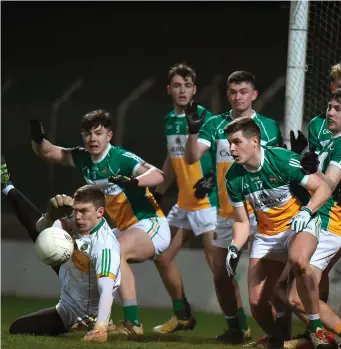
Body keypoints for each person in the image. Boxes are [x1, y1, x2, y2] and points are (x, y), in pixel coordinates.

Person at [30, 109, 171, 335]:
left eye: (98, 133)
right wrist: (38, 139)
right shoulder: (84, 158)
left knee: (116, 252)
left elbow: (158, 175)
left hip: (150, 224)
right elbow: (48, 152)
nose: (92, 139)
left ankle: (133, 324)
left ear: (109, 135)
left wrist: (133, 181)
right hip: (123, 228)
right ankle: (93, 317)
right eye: (87, 134)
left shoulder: (120, 158)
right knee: (85, 256)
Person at [184, 70, 283, 343]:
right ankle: (236, 329)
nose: (238, 97)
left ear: (254, 95)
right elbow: (192, 157)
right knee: (220, 274)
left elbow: (276, 165)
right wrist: (192, 131)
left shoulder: (268, 127)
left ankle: (276, 333)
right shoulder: (215, 124)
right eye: (233, 92)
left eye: (243, 92)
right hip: (229, 214)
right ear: (227, 94)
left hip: (262, 213)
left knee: (267, 281)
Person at [224, 117, 335, 349]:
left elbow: (323, 187)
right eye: (229, 143)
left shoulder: (281, 159)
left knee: (298, 259)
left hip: (298, 224)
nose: (231, 149)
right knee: (256, 302)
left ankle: (316, 331)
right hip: (266, 235)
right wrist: (234, 247)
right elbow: (242, 223)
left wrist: (306, 212)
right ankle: (276, 340)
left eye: (236, 142)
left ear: (254, 141)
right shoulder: (233, 178)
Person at [2, 178, 120, 344]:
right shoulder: (76, 221)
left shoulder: (105, 246)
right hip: (67, 305)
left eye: (84, 211)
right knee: (17, 328)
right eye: (75, 210)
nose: (78, 217)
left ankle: (97, 321)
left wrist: (100, 327)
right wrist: (51, 215)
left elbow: (106, 289)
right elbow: (42, 232)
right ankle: (8, 187)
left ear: (100, 212)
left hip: (86, 313)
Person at [152, 63, 218, 334]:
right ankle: (182, 316)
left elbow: (222, 154)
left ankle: (238, 325)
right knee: (162, 256)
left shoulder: (206, 117)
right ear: (169, 89)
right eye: (177, 85)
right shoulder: (169, 120)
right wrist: (158, 192)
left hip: (208, 204)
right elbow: (172, 159)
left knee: (218, 267)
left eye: (187, 85)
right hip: (184, 203)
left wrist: (213, 179)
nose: (182, 90)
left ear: (195, 90)